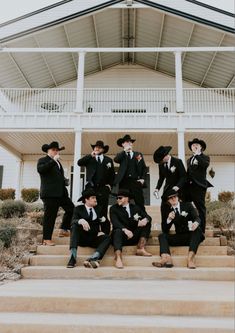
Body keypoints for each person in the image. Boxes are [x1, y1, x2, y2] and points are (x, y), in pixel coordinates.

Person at [152, 189, 204, 269]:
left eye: (175, 196)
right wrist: (169, 219)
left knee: (198, 231)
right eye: (171, 198)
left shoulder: (188, 205)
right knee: (162, 236)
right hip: (179, 236)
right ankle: (166, 259)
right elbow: (165, 230)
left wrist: (196, 223)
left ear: (178, 197)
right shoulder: (168, 210)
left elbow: (197, 218)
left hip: (191, 236)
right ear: (168, 201)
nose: (173, 199)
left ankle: (190, 259)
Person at [37, 141, 74, 246]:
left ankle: (64, 229)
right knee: (50, 216)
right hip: (50, 194)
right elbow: (41, 170)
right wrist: (53, 160)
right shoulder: (43, 160)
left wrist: (65, 181)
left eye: (57, 150)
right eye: (53, 150)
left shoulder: (58, 162)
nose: (56, 151)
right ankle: (46, 239)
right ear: (48, 151)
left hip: (61, 193)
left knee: (71, 209)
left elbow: (55, 176)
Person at [67, 188, 111, 269]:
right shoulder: (78, 209)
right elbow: (73, 221)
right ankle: (73, 257)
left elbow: (106, 224)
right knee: (74, 226)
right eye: (93, 198)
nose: (95, 200)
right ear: (86, 199)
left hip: (94, 238)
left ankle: (94, 258)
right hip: (81, 238)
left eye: (95, 198)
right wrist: (80, 220)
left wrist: (103, 232)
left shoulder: (99, 209)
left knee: (107, 237)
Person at [77, 140, 115, 234]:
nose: (97, 148)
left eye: (99, 147)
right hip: (91, 189)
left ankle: (105, 233)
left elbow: (112, 175)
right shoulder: (89, 158)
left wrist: (109, 185)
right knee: (91, 210)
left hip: (103, 189)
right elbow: (79, 163)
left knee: (103, 210)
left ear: (103, 149)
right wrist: (90, 155)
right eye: (95, 147)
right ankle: (92, 231)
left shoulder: (108, 160)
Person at [110, 189, 152, 269]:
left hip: (133, 235)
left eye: (120, 198)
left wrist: (145, 220)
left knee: (147, 223)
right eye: (117, 198)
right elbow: (115, 222)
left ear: (127, 198)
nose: (118, 199)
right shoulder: (113, 208)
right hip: (120, 237)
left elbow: (148, 216)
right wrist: (125, 230)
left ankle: (140, 248)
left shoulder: (135, 208)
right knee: (117, 231)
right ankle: (118, 258)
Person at [153, 145, 187, 225]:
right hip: (167, 189)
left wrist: (178, 186)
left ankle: (182, 227)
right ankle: (165, 227)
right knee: (164, 207)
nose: (160, 162)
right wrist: (157, 188)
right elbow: (161, 178)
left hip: (179, 190)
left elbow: (183, 176)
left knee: (181, 209)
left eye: (161, 159)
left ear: (166, 156)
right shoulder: (161, 165)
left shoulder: (178, 162)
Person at [185, 138, 213, 233]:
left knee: (200, 209)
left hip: (199, 187)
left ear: (201, 147)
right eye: (193, 145)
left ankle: (201, 231)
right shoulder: (189, 160)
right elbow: (188, 173)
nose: (194, 146)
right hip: (189, 188)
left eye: (197, 145)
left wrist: (197, 155)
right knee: (186, 207)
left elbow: (204, 165)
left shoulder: (205, 158)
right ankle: (188, 227)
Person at [114, 134, 147, 211]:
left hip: (136, 182)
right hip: (124, 182)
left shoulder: (138, 154)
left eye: (130, 142)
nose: (129, 143)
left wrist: (143, 179)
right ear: (122, 144)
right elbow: (116, 160)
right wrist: (125, 151)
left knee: (140, 203)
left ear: (132, 144)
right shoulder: (121, 154)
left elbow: (144, 168)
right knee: (122, 203)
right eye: (126, 142)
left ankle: (143, 220)